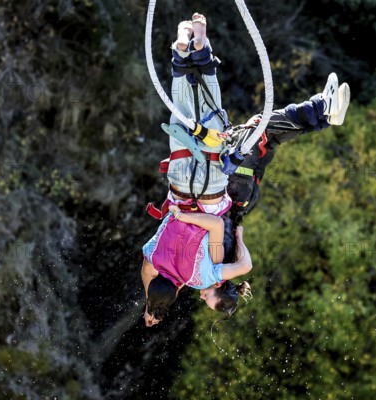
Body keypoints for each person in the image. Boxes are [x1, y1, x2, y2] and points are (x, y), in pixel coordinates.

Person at [142, 13, 350, 326]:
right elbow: (157, 268)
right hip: (229, 190)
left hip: (234, 196)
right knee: (257, 130)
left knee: (261, 134)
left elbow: (241, 263)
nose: (202, 299)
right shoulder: (205, 274)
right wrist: (153, 303)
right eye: (209, 301)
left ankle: (322, 112)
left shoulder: (200, 275)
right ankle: (321, 109)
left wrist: (155, 305)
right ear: (218, 288)